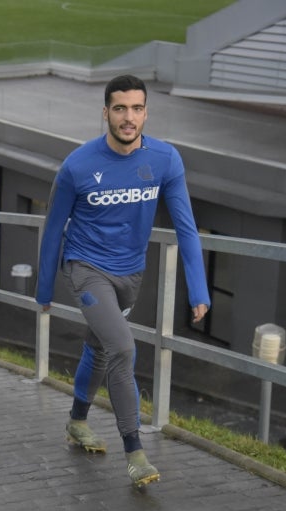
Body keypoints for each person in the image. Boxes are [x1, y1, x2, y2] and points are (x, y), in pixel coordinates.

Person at [35, 74, 210, 488]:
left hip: (131, 273)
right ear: (106, 113)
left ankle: (77, 421)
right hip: (85, 268)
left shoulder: (166, 160)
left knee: (99, 348)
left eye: (136, 109)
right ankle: (135, 451)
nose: (128, 117)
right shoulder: (78, 165)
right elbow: (54, 225)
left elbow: (186, 228)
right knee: (122, 346)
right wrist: (44, 289)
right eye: (119, 109)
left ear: (146, 113)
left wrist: (199, 289)